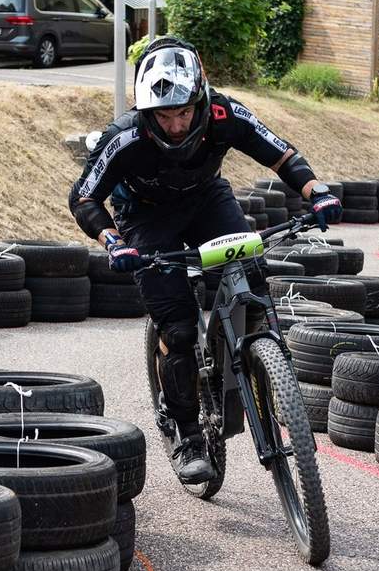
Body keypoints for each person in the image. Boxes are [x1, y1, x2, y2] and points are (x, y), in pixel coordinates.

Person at [67, 37, 342, 485]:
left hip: (206, 201)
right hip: (145, 218)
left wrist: (318, 192)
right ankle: (187, 434)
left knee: (252, 277)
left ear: (201, 99)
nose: (175, 126)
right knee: (177, 329)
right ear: (146, 111)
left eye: (183, 113)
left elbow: (282, 154)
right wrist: (112, 241)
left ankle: (264, 368)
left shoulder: (224, 114)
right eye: (163, 116)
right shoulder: (125, 137)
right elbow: (83, 198)